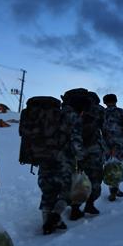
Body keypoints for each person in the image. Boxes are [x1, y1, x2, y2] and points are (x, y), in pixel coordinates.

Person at [39, 96, 85, 234]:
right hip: (63, 160)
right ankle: (55, 217)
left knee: (48, 190)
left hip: (44, 157)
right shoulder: (73, 117)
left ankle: (46, 222)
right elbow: (76, 141)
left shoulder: (48, 114)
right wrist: (81, 157)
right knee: (65, 190)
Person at [63, 89, 105, 220]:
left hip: (73, 149)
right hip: (93, 149)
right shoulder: (98, 109)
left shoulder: (69, 110)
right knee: (95, 177)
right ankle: (90, 204)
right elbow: (105, 128)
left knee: (76, 178)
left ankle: (75, 208)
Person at [102, 93, 123, 201]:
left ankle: (113, 188)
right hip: (120, 143)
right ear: (116, 101)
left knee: (109, 165)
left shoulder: (102, 113)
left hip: (106, 143)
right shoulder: (121, 111)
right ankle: (116, 188)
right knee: (119, 164)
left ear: (105, 102)